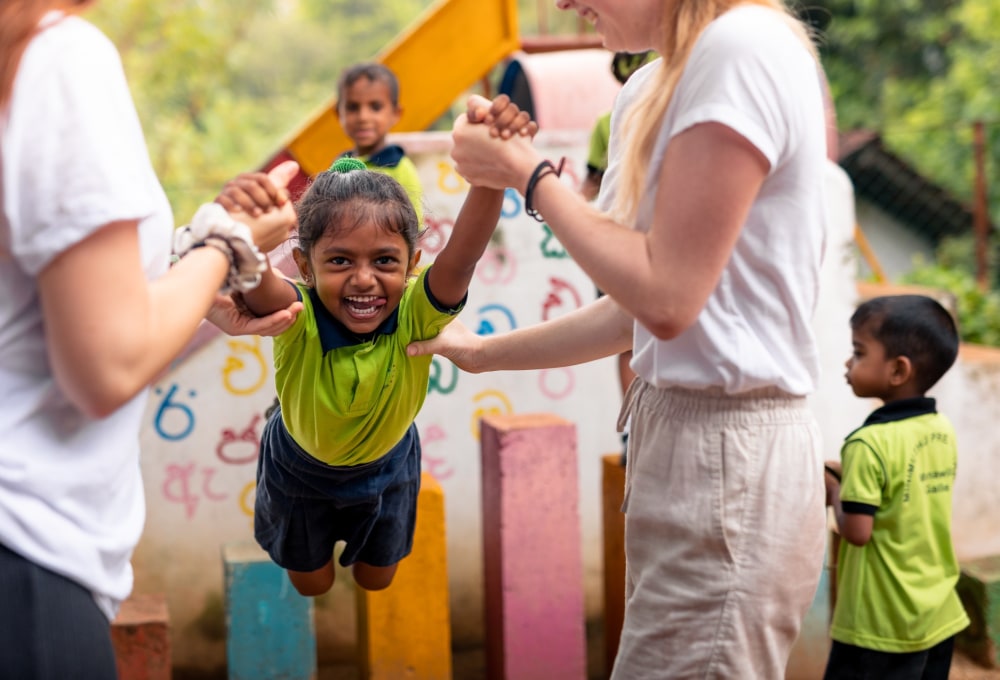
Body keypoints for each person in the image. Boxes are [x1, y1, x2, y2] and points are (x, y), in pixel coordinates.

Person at [407, 0, 831, 676]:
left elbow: (666, 298)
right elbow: (633, 306)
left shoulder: (743, 47)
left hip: (730, 449)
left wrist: (527, 174)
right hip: (676, 435)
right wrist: (483, 355)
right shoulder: (652, 84)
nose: (564, 5)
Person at [0, 1, 297, 677]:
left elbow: (43, 320)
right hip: (27, 562)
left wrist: (188, 290)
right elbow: (107, 362)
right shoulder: (56, 56)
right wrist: (226, 245)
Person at [215, 100, 536, 599]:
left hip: (388, 466)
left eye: (384, 260)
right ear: (304, 265)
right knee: (312, 585)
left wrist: (491, 174)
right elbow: (257, 285)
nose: (364, 280)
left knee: (376, 578)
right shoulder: (299, 314)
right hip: (298, 468)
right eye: (339, 260)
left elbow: (464, 255)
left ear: (412, 261)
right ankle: (283, 416)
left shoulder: (416, 311)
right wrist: (242, 236)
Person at [823, 294, 969, 680]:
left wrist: (836, 490)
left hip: (878, 625)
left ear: (898, 370)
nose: (847, 363)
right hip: (936, 613)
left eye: (858, 352)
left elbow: (856, 532)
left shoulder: (866, 444)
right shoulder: (941, 431)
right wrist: (849, 473)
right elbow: (905, 486)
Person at [581, 50, 653, 459]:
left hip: (645, 244)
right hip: (616, 241)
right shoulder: (608, 123)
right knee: (624, 336)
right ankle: (631, 428)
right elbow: (592, 181)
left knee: (636, 336)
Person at [335, 62, 424, 229]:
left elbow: (414, 228)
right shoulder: (338, 166)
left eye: (375, 107)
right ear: (338, 113)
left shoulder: (401, 169)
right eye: (352, 107)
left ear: (395, 114)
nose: (363, 117)